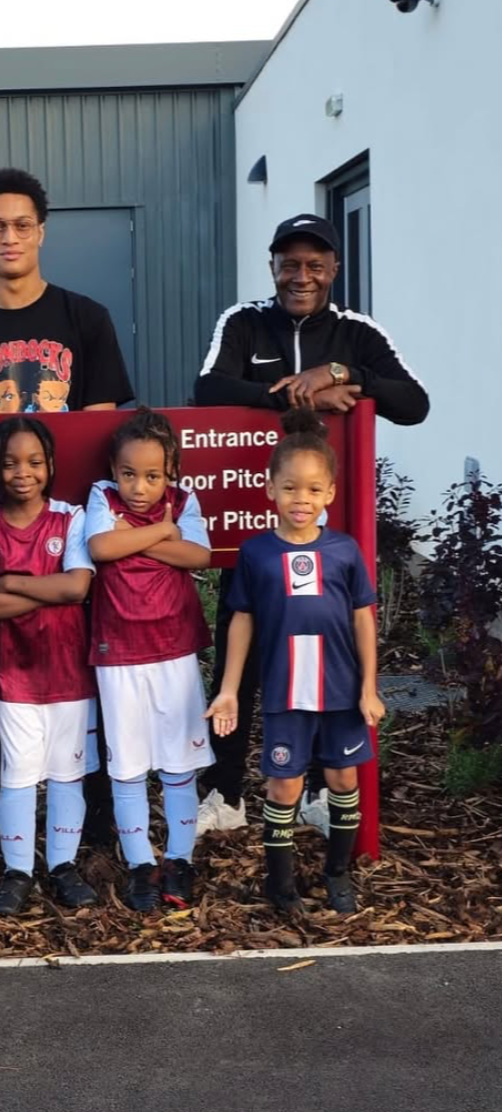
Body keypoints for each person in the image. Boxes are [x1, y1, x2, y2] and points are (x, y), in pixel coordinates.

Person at [193, 212, 428, 836]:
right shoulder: (243, 321)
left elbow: (414, 403)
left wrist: (343, 374)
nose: (302, 276)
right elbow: (208, 389)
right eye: (290, 264)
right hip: (257, 529)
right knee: (239, 661)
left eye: (315, 265)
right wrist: (300, 395)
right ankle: (226, 793)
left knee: (332, 665)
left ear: (334, 269)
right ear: (272, 267)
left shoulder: (356, 332)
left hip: (330, 539)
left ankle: (322, 792)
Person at [205, 409, 384, 915]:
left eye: (312, 490)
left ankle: (337, 873)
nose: (300, 499)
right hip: (286, 690)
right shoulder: (257, 553)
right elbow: (242, 621)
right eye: (289, 488)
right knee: (284, 784)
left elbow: (363, 619)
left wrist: (369, 686)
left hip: (341, 689)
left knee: (343, 780)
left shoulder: (344, 550)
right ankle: (280, 886)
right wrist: (229, 689)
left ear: (330, 493)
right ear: (270, 489)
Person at [85, 408, 213, 911]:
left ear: (170, 473)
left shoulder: (184, 500)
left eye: (153, 476)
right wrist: (163, 533)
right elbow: (101, 547)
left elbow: (199, 555)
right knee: (128, 765)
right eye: (129, 474)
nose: (139, 488)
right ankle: (141, 863)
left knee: (179, 764)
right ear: (113, 471)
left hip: (173, 647)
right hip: (118, 651)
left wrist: (133, 540)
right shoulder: (102, 496)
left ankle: (180, 859)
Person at [0, 416, 99, 916]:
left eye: (34, 462)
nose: (22, 472)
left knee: (67, 772)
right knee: (19, 774)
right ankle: (18, 871)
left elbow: (77, 587)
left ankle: (63, 866)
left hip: (68, 667)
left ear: (50, 466)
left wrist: (12, 582)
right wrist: (47, 589)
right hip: (13, 671)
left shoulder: (70, 517)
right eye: (10, 463)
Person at [0, 166, 134, 415]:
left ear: (40, 233)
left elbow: (98, 424)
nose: (10, 238)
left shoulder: (89, 319)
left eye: (22, 225)